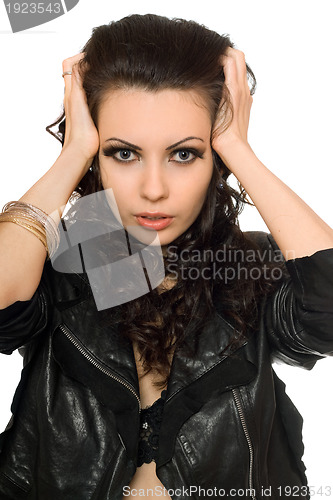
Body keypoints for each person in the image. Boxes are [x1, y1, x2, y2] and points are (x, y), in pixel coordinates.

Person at [0, 13, 333, 500]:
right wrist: (73, 155)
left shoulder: (253, 269)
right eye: (123, 153)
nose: (153, 190)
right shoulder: (52, 268)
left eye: (184, 154)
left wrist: (238, 148)